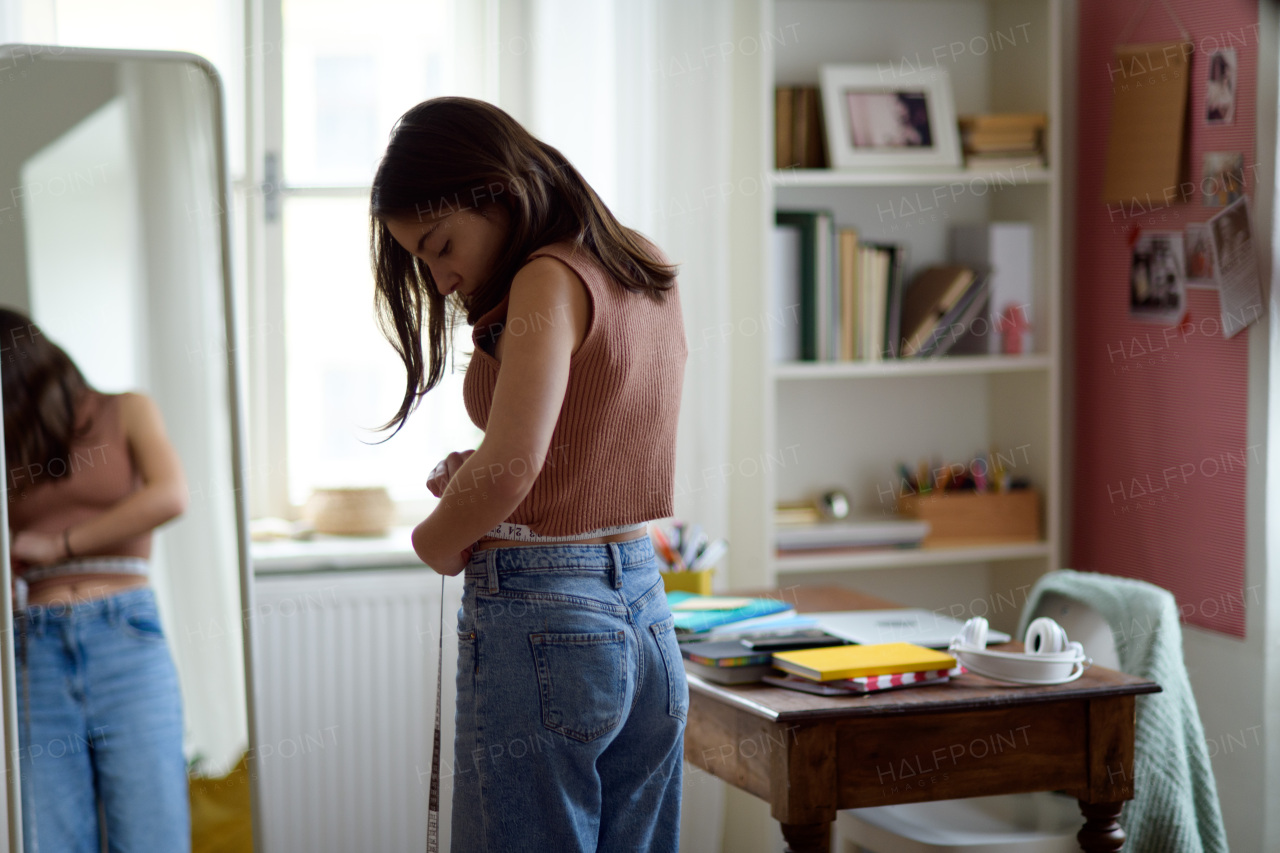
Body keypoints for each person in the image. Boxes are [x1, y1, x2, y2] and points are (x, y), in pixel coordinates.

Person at [369, 97, 689, 852]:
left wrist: (435, 540)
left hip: (548, 616)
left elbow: (515, 467)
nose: (441, 280)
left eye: (440, 245)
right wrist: (474, 471)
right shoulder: (638, 260)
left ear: (496, 189)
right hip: (645, 610)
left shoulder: (547, 278)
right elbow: (599, 436)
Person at [2, 307, 190, 853]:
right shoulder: (9, 443)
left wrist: (57, 545)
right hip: (30, 645)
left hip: (125, 634)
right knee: (49, 839)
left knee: (151, 835)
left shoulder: (127, 410)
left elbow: (169, 496)